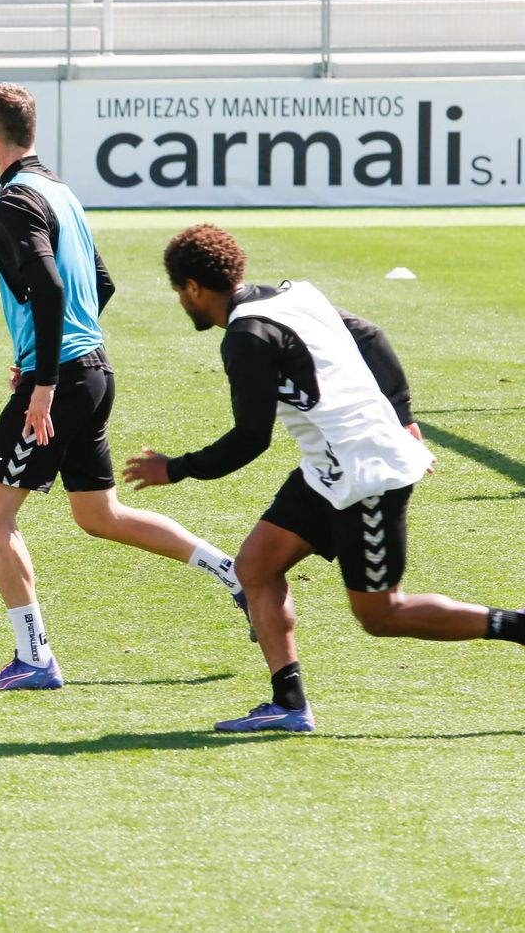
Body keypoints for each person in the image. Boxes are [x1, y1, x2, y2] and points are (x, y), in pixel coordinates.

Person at [122, 224, 525, 731]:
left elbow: (251, 438)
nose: (182, 301)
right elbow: (370, 334)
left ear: (193, 288)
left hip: (366, 475)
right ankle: (289, 704)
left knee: (382, 615)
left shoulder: (246, 338)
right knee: (256, 568)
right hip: (327, 469)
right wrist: (402, 414)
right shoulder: (294, 295)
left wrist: (175, 468)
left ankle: (517, 626)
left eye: (179, 291)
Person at [0, 86, 248, 693]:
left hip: (63, 378)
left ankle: (35, 659)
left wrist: (43, 378)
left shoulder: (13, 201)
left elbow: (50, 286)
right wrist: (50, 353)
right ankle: (234, 572)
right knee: (99, 514)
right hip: (90, 370)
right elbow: (102, 282)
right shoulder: (60, 192)